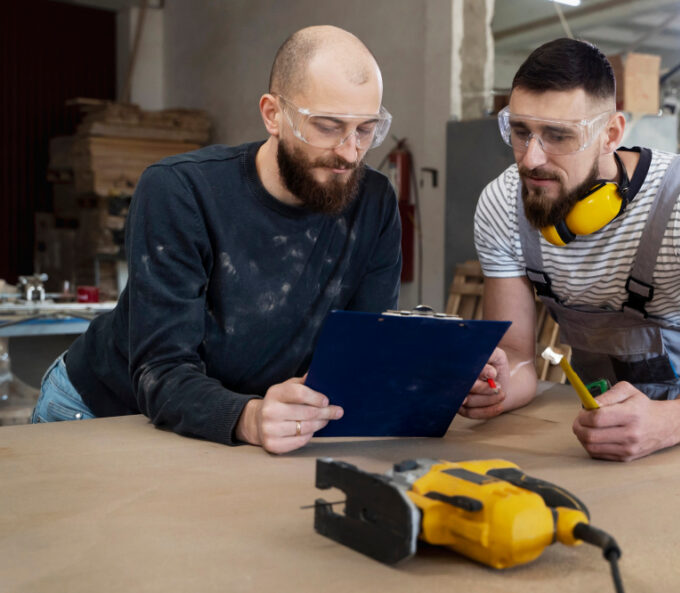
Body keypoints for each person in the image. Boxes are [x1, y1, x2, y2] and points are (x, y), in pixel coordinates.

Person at [31, 26, 402, 454]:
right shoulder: (180, 191)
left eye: (365, 130)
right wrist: (251, 418)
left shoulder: (372, 201)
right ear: (273, 114)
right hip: (106, 412)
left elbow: (362, 347)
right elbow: (162, 369)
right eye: (327, 127)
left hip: (238, 425)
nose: (350, 152)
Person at [463, 38, 680, 462]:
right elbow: (517, 357)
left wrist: (664, 423)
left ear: (611, 134)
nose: (530, 160)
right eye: (521, 132)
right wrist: (498, 387)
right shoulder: (501, 204)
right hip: (594, 426)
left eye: (558, 136)